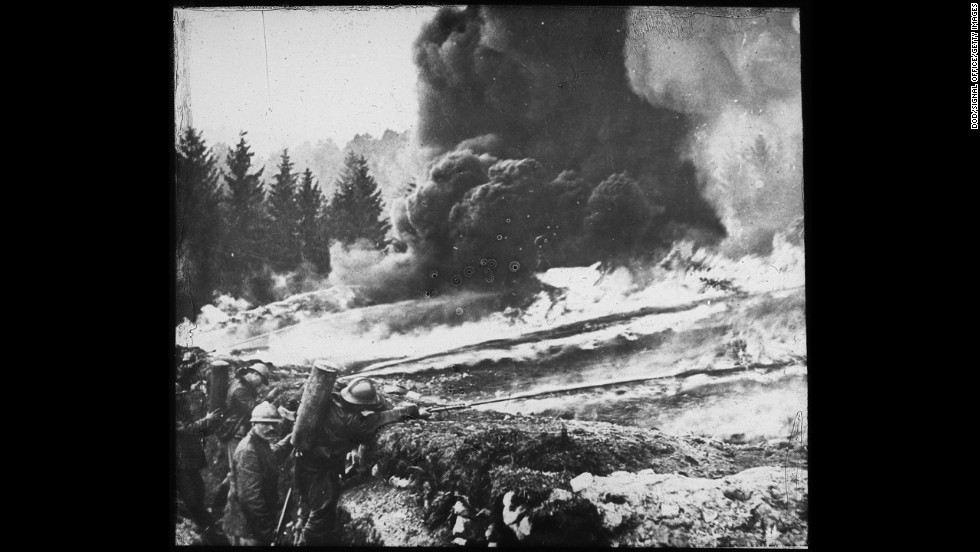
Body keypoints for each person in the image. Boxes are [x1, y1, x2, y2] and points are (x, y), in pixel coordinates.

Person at [292, 371, 429, 546]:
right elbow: (381, 418)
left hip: (304, 460)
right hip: (319, 469)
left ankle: (301, 531)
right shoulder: (351, 422)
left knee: (309, 503)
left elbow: (377, 409)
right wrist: (413, 410)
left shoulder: (331, 400)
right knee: (323, 508)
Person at [224, 401, 294, 546]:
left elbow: (273, 456)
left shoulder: (260, 443)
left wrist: (293, 438)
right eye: (265, 424)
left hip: (253, 526)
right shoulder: (248, 451)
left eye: (274, 424)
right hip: (246, 528)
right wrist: (267, 531)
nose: (271, 428)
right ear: (254, 424)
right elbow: (250, 498)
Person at [175, 361, 229, 545]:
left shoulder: (179, 405)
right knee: (193, 498)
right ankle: (205, 528)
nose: (183, 398)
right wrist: (207, 420)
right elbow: (185, 428)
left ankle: (207, 524)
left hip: (189, 457)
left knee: (198, 490)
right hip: (182, 460)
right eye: (179, 397)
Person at [212, 362, 273, 515]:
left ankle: (219, 508)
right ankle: (225, 511)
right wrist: (268, 400)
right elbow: (253, 410)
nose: (261, 385)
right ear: (254, 374)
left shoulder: (242, 385)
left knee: (235, 471)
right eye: (261, 380)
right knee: (236, 472)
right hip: (235, 433)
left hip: (237, 432)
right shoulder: (240, 389)